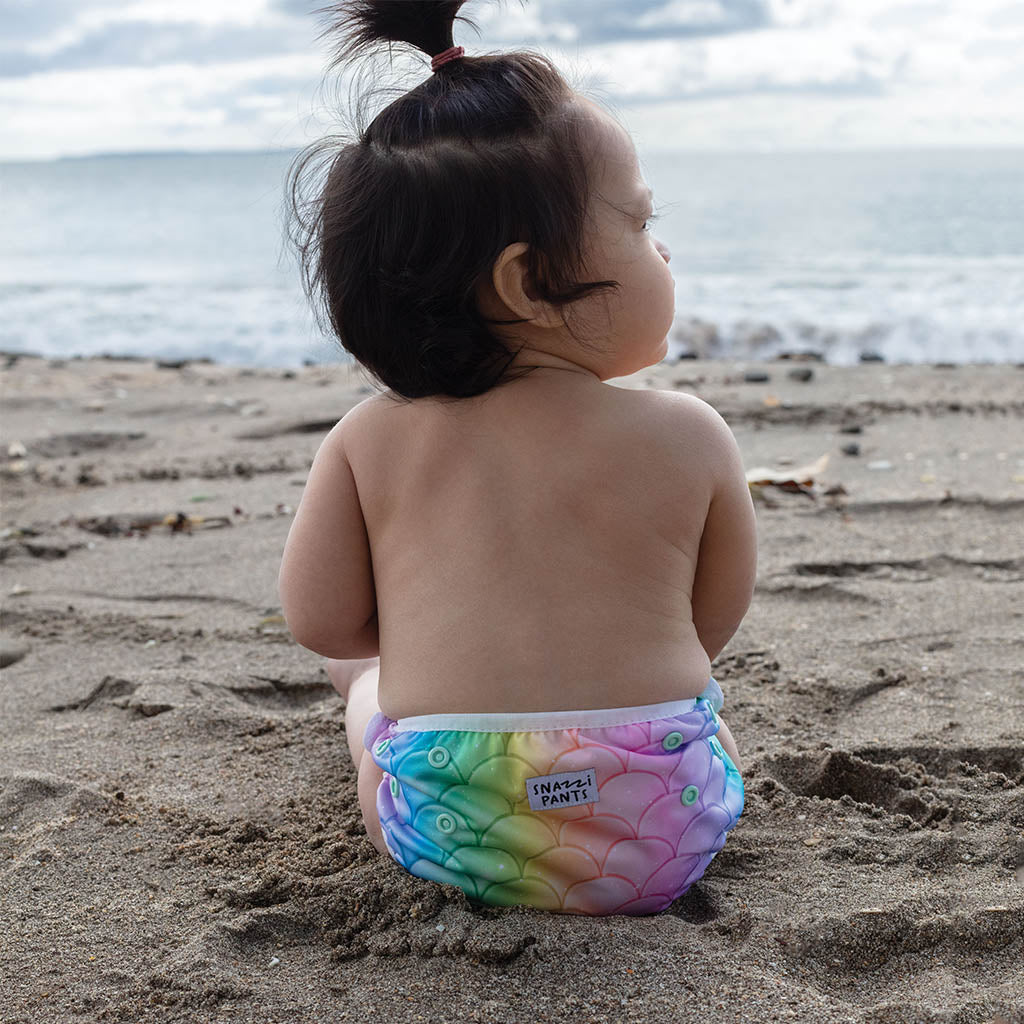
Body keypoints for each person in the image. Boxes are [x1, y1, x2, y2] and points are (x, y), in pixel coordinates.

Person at [279, 0, 757, 916]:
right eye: (641, 222)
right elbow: (707, 623)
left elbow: (323, 620)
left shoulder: (369, 437)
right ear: (531, 281)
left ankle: (394, 719)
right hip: (660, 825)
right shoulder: (691, 432)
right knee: (700, 713)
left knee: (368, 685)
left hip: (455, 824)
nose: (662, 248)